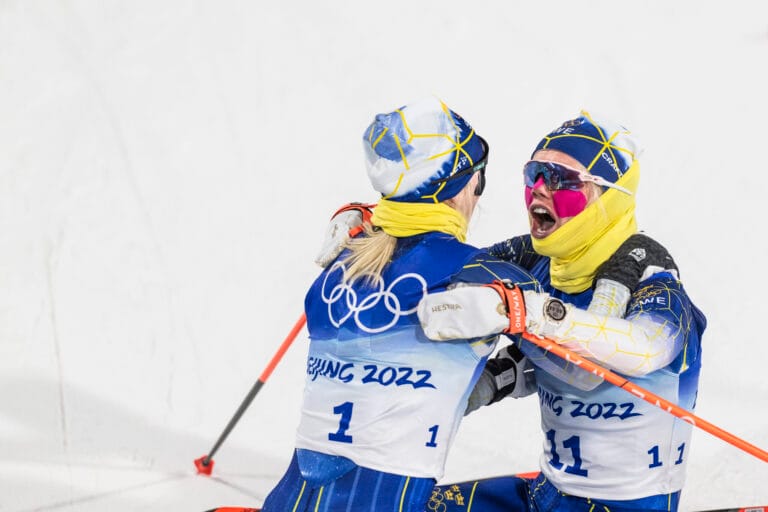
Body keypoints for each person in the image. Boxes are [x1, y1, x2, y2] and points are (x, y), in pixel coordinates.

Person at [418, 111, 707, 511]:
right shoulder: (542, 261)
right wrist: (381, 228)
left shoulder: (653, 278)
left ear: (610, 199)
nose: (538, 189)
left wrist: (528, 312)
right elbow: (450, 270)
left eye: (562, 179)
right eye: (534, 174)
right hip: (547, 494)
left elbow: (642, 350)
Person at [261, 97, 540, 512]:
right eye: (479, 178)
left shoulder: (342, 260)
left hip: (286, 503)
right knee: (535, 497)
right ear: (464, 187)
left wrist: (361, 211)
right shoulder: (479, 274)